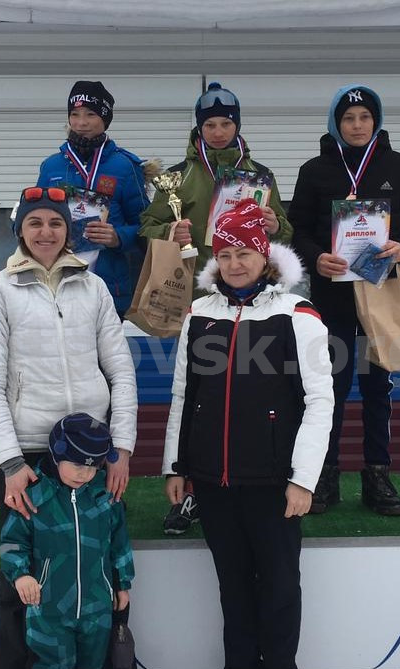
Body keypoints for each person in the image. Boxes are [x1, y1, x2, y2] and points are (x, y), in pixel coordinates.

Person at [162, 199, 334, 669]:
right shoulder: (199, 314)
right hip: (212, 479)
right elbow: (183, 394)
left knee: (278, 587)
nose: (235, 264)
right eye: (225, 254)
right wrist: (176, 465)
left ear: (265, 256)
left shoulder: (296, 314)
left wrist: (303, 479)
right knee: (232, 584)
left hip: (273, 480)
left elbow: (320, 402)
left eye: (245, 253)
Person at [0, 185, 138, 669]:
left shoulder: (94, 286)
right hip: (29, 456)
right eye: (35, 222)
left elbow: (121, 370)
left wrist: (121, 448)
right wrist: (10, 462)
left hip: (91, 452)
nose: (46, 232)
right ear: (20, 229)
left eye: (56, 222)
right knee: (20, 583)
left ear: (69, 229)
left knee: (97, 571)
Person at [140, 81, 293, 535]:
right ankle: (192, 490)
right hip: (201, 301)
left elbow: (285, 232)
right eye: (210, 125)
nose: (219, 132)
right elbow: (148, 224)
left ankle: (247, 484)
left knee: (250, 392)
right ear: (199, 129)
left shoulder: (261, 176)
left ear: (237, 125)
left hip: (254, 303)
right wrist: (170, 232)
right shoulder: (179, 177)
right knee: (197, 395)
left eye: (227, 123)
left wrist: (275, 224)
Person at [289, 84, 400, 516]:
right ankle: (324, 474)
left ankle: (377, 474)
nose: (357, 125)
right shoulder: (314, 170)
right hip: (332, 298)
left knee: (377, 387)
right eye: (349, 118)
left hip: (382, 296)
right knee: (328, 387)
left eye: (365, 117)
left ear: (376, 121)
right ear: (336, 123)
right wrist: (316, 257)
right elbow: (297, 230)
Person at [0, 412, 134, 669]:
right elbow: (12, 542)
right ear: (56, 455)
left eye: (92, 467)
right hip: (49, 610)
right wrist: (21, 575)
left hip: (97, 609)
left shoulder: (105, 496)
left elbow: (119, 542)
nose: (84, 474)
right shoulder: (35, 496)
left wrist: (122, 583)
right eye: (76, 465)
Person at [38, 80, 152, 317]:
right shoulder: (51, 166)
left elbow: (146, 226)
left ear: (105, 119)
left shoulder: (125, 166)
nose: (81, 123)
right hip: (57, 283)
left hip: (109, 287)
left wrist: (117, 237)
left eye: (90, 114)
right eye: (75, 114)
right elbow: (33, 217)